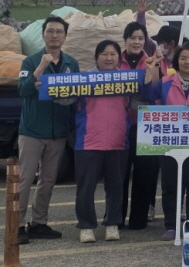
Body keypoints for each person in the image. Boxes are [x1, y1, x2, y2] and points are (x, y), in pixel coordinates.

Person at [17, 16, 80, 244]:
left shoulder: (71, 63)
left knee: (48, 180)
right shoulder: (30, 61)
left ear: (65, 36)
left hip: (57, 132)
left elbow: (75, 95)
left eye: (59, 32)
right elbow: (23, 91)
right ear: (43, 34)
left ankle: (39, 223)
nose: (54, 35)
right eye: (50, 31)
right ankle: (17, 225)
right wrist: (41, 67)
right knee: (25, 180)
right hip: (32, 131)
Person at [143, 43, 189, 240]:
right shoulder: (165, 82)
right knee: (170, 186)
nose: (187, 62)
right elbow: (148, 97)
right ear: (177, 61)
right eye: (183, 58)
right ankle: (171, 225)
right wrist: (150, 71)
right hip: (169, 143)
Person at [74, 40, 131, 243]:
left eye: (113, 54)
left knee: (116, 186)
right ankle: (86, 226)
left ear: (119, 58)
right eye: (104, 54)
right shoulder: (83, 80)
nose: (109, 58)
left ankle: (112, 223)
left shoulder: (127, 80)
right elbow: (64, 99)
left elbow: (140, 101)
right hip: (88, 140)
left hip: (118, 140)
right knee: (86, 187)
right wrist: (46, 86)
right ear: (96, 57)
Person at [120, 0, 162, 230]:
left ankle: (138, 219)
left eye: (140, 38)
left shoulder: (152, 61)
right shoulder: (116, 61)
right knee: (120, 174)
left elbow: (154, 92)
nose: (136, 42)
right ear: (125, 40)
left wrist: (151, 70)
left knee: (145, 174)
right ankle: (115, 217)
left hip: (147, 127)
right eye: (132, 38)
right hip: (121, 126)